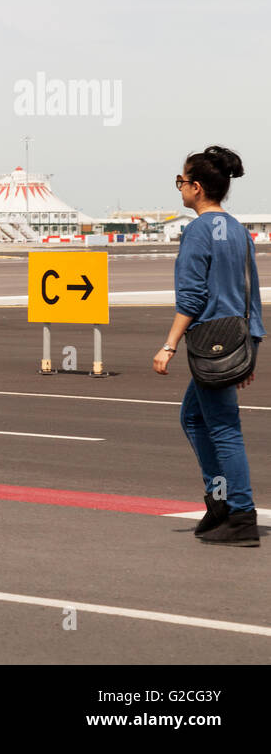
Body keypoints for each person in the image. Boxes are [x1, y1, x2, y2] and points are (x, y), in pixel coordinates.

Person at [153, 146, 262, 547]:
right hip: (236, 339)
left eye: (181, 181)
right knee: (194, 418)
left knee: (223, 428)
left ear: (196, 188)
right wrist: (251, 348)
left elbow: (192, 298)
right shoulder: (237, 229)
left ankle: (240, 514)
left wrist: (168, 345)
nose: (179, 187)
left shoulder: (198, 230)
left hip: (211, 343)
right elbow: (251, 294)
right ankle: (220, 502)